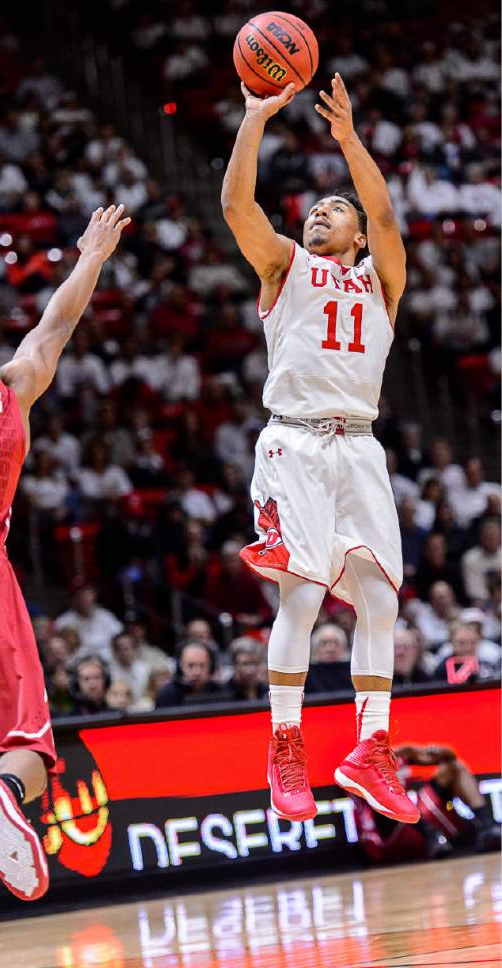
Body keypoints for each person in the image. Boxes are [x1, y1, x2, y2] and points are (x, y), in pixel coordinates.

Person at [222, 73, 417, 824]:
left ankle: (371, 749)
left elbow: (389, 213)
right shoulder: (285, 268)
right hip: (295, 446)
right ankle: (286, 744)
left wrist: (349, 141)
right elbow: (237, 206)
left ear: (358, 236)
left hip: (359, 448)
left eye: (335, 210)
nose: (319, 215)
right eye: (313, 210)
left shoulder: (381, 281)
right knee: (301, 593)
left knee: (378, 599)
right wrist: (253, 121)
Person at [0, 203, 130, 902]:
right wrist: (91, 258)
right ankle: (3, 794)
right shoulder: (10, 391)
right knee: (28, 752)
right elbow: (57, 326)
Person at [354, 743, 500, 864]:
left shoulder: (399, 754)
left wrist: (437, 751)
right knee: (387, 795)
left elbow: (449, 756)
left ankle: (488, 828)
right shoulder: (358, 767)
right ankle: (431, 835)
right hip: (390, 837)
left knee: (455, 766)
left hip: (417, 818)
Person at [154, 641, 226, 708]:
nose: (196, 672)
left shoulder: (221, 691)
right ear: (180, 667)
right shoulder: (167, 695)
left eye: (202, 665)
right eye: (190, 665)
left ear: (211, 667)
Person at [305, 623, 352, 693]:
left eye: (336, 643)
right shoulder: (306, 676)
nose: (330, 649)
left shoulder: (352, 674)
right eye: (324, 643)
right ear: (315, 648)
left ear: (343, 647)